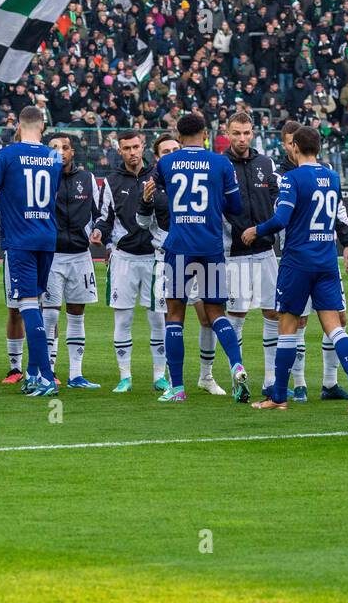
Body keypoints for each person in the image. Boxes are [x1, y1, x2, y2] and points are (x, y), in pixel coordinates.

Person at [243, 125, 348, 412]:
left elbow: (281, 219)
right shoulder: (333, 177)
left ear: (295, 148)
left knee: (286, 327)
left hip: (298, 261)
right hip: (326, 260)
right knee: (334, 327)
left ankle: (278, 397)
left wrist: (256, 230)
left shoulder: (291, 179)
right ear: (319, 149)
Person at [151, 110, 249, 403]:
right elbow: (236, 206)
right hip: (210, 247)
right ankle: (236, 365)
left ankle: (178, 388)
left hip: (179, 246)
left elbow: (158, 193)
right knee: (216, 313)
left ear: (179, 137)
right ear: (206, 135)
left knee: (175, 315)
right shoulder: (221, 162)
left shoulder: (166, 162)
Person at [0, 106, 62, 396]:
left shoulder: (7, 154)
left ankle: (45, 378)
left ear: (18, 126)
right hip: (47, 236)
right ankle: (33, 374)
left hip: (21, 239)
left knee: (27, 306)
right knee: (38, 304)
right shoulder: (54, 157)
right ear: (43, 126)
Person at [98, 129, 170, 393]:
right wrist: (99, 233)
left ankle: (159, 376)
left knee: (157, 320)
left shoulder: (158, 176)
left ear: (143, 148)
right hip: (123, 259)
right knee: (123, 319)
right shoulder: (111, 181)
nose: (132, 152)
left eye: (136, 147)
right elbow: (104, 218)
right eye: (126, 148)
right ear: (120, 151)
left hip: (154, 258)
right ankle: (125, 376)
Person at [220, 112, 284, 397]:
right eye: (236, 133)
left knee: (272, 312)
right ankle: (238, 375)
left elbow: (278, 201)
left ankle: (270, 378)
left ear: (253, 133)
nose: (242, 138)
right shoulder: (220, 164)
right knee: (236, 314)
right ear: (227, 132)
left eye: (246, 133)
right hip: (233, 253)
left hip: (265, 251)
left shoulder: (266, 163)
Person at [44, 132, 108, 389]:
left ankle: (75, 374)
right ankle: (48, 372)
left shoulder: (87, 178)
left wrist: (98, 229)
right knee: (49, 315)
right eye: (55, 147)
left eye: (65, 147)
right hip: (52, 255)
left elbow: (100, 212)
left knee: (77, 313)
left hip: (80, 255)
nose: (60, 151)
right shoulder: (43, 179)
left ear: (73, 152)